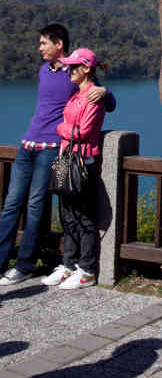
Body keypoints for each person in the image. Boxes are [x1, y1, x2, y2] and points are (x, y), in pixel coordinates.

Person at [0, 25, 115, 285]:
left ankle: (25, 264)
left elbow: (104, 100)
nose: (40, 48)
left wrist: (106, 92)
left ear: (59, 44)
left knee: (35, 206)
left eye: (44, 43)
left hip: (52, 149)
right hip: (27, 145)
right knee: (10, 205)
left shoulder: (73, 73)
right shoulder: (44, 71)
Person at [41, 48, 107, 289]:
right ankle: (69, 264)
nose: (68, 70)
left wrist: (61, 129)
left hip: (83, 161)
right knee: (67, 215)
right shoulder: (76, 95)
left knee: (84, 217)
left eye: (73, 66)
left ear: (86, 69)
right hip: (65, 159)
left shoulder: (93, 97)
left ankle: (87, 270)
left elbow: (83, 132)